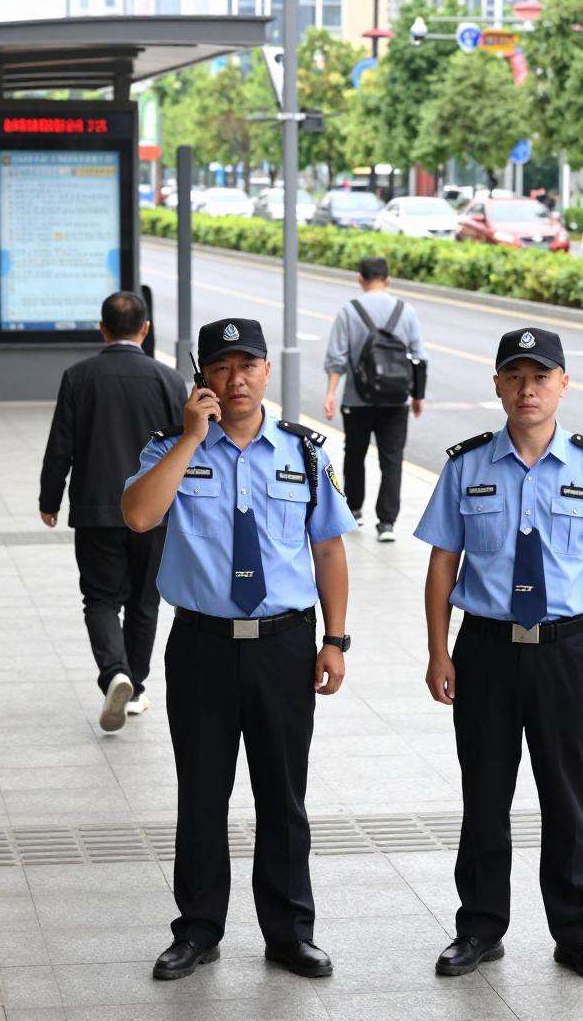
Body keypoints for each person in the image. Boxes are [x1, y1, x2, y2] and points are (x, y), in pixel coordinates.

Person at [121, 318, 357, 981]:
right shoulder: (171, 447)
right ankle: (198, 929)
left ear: (267, 371)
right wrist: (192, 438)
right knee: (202, 792)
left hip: (284, 645)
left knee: (283, 794)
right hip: (200, 643)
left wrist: (335, 639)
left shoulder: (306, 452)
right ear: (203, 376)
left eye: (248, 364)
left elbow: (330, 549)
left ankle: (289, 931)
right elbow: (138, 515)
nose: (238, 378)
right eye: (223, 366)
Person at [415, 328, 583, 980]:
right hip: (484, 650)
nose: (527, 388)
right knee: (483, 794)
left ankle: (577, 933)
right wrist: (439, 652)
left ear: (564, 384)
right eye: (514, 376)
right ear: (496, 384)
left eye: (540, 377)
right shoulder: (465, 465)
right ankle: (480, 928)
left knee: (566, 797)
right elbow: (441, 566)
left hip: (566, 651)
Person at [39, 291, 186, 732]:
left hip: (96, 510)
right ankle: (135, 687)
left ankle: (114, 673)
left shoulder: (78, 377)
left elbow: (60, 443)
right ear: (145, 329)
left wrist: (50, 499)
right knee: (144, 600)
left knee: (101, 599)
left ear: (102, 329)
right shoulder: (168, 379)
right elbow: (185, 446)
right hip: (153, 511)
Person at [323, 256, 426, 542]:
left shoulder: (349, 310)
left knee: (354, 454)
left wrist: (331, 393)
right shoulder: (406, 311)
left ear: (360, 278)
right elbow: (419, 357)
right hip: (397, 401)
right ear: (388, 279)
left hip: (357, 399)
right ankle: (387, 523)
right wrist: (417, 396)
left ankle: (354, 510)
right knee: (391, 459)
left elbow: (337, 357)